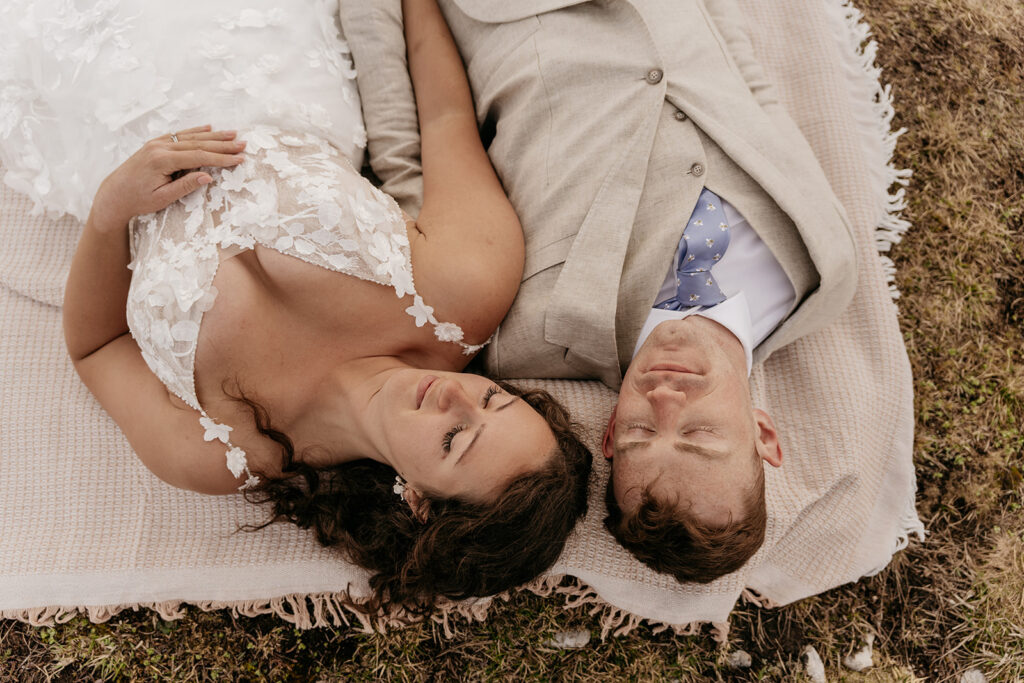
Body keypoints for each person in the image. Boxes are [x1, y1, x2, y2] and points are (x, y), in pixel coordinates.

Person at [54, 0, 591, 610]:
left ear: (415, 500)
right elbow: (444, 119)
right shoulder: (466, 288)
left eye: (454, 439)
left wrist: (107, 214)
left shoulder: (217, 452)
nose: (455, 394)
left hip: (94, 110)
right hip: (260, 49)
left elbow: (95, 348)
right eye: (494, 399)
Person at [421, 0, 859, 583]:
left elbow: (422, 162)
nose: (666, 398)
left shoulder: (523, 333)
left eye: (639, 432)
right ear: (764, 433)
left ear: (607, 433)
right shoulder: (825, 270)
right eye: (701, 433)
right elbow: (752, 93)